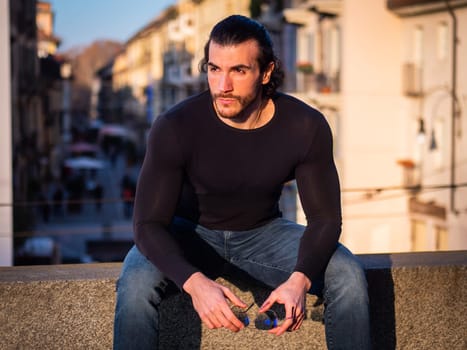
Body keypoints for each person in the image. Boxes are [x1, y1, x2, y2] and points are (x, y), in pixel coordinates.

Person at [114, 15, 370, 350]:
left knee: (348, 275)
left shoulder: (306, 126)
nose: (222, 86)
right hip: (187, 233)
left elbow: (325, 219)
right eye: (214, 68)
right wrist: (194, 283)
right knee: (134, 284)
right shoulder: (175, 126)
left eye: (239, 70)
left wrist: (299, 279)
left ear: (266, 73)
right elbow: (147, 224)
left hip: (263, 234)